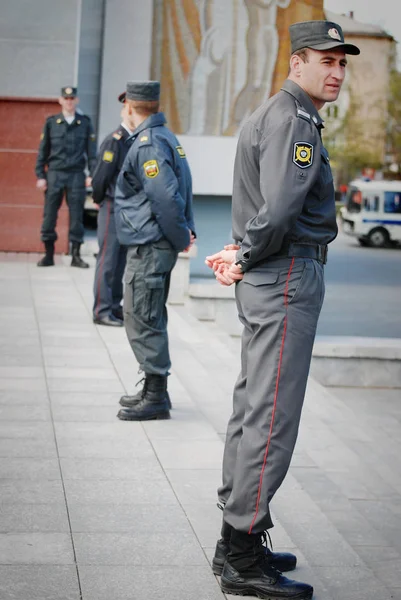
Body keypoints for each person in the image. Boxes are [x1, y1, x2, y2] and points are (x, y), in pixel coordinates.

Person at [205, 20, 360, 599]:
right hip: (287, 275)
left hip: (272, 274)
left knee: (252, 408)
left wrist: (239, 250)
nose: (337, 72)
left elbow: (259, 204)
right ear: (297, 62)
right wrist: (245, 253)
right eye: (327, 60)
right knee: (272, 418)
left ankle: (235, 536)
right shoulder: (295, 120)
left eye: (343, 63)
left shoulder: (272, 113)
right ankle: (242, 557)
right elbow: (284, 205)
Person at [114, 81, 195, 421]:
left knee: (141, 315)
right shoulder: (164, 137)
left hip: (150, 243)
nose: (122, 113)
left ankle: (156, 397)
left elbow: (164, 197)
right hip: (154, 241)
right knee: (149, 313)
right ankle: (152, 389)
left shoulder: (147, 143)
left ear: (131, 108)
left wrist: (180, 237)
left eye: (124, 107)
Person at [35, 86, 97, 268]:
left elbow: (91, 153)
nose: (69, 102)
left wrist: (92, 174)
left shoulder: (85, 123)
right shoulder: (51, 123)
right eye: (66, 98)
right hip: (55, 174)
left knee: (77, 216)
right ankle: (48, 255)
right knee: (49, 216)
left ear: (76, 100)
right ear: (60, 100)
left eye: (72, 99)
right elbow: (42, 151)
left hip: (76, 175)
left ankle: (76, 255)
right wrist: (41, 175)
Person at [92, 91, 135, 327]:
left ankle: (114, 305)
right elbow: (101, 177)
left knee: (119, 262)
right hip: (111, 206)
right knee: (107, 261)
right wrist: (99, 199)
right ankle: (101, 309)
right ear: (125, 109)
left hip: (126, 208)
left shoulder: (134, 139)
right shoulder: (115, 140)